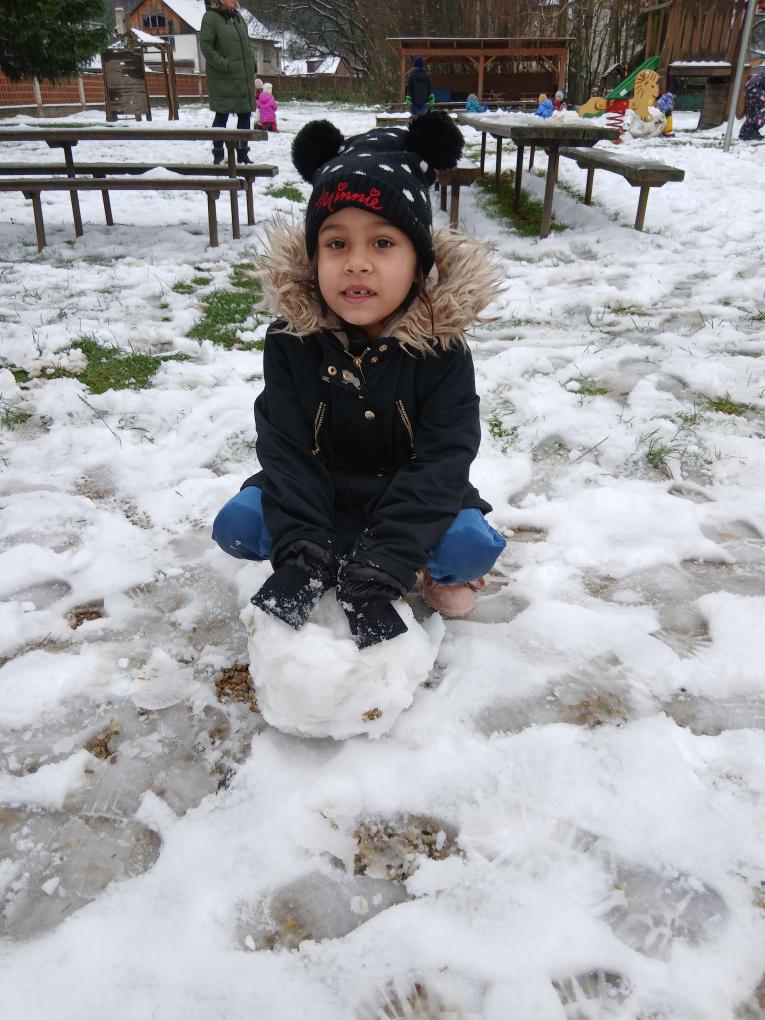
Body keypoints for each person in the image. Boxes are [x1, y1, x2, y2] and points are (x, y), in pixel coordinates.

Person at [212, 112, 506, 648]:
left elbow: (442, 463)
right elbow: (285, 449)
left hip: (413, 492)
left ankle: (432, 566)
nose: (357, 264)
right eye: (337, 244)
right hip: (321, 490)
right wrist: (302, 548)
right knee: (237, 526)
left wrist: (390, 558)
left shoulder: (441, 351)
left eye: (383, 243)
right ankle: (325, 551)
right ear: (313, 257)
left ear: (419, 263)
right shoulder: (290, 342)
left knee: (470, 546)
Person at [199, 0, 256, 165]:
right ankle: (218, 153)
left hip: (242, 76)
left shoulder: (238, 18)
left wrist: (252, 64)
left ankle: (243, 154)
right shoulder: (210, 17)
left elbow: (246, 45)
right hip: (223, 77)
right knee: (221, 114)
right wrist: (225, 65)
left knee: (245, 114)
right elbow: (206, 46)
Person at [739, 71, 765, 141]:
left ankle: (744, 132)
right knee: (763, 110)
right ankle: (752, 131)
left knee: (752, 112)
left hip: (747, 91)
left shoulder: (760, 74)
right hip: (756, 90)